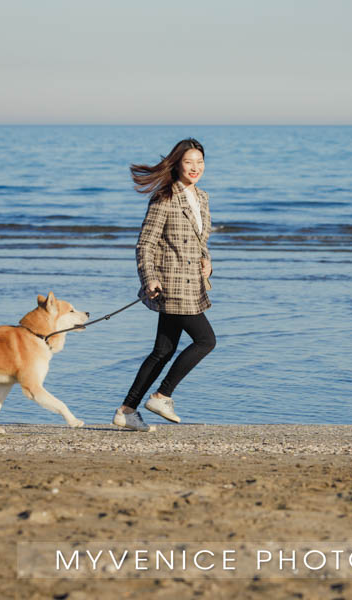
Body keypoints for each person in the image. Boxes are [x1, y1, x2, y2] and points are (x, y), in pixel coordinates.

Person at [112, 138, 215, 432]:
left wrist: (208, 261)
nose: (195, 168)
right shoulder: (165, 197)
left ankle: (126, 410)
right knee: (206, 340)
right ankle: (162, 396)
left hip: (193, 283)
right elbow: (145, 244)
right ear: (177, 164)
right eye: (189, 162)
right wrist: (150, 278)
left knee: (163, 350)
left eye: (200, 162)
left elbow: (200, 241)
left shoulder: (203, 197)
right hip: (171, 284)